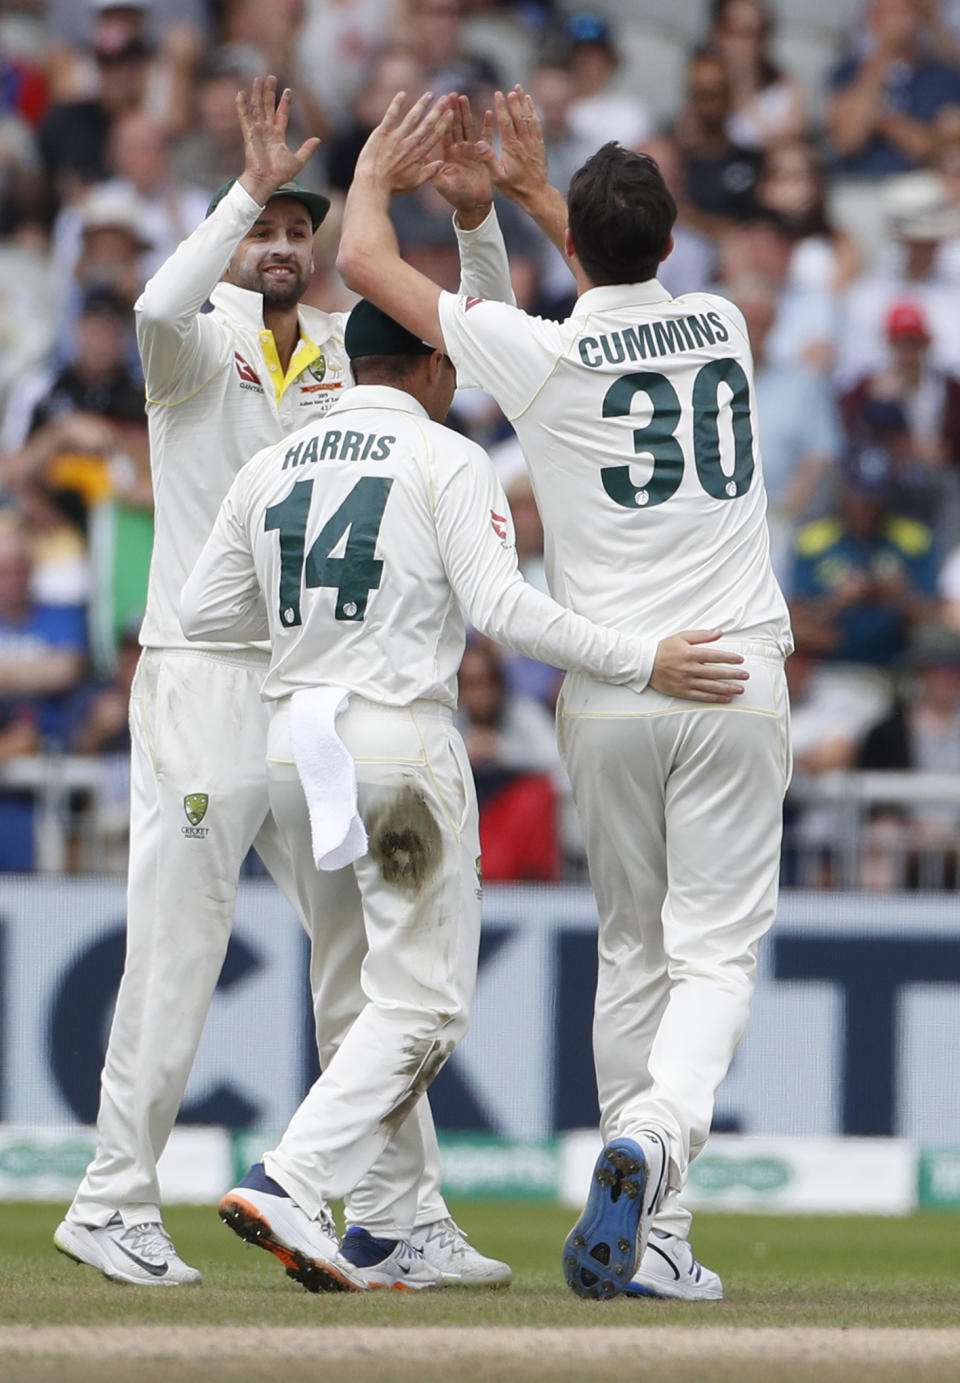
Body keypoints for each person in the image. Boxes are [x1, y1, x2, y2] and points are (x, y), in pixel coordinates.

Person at [179, 297, 749, 1293]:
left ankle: (393, 1227)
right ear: (432, 365)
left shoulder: (269, 467)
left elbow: (202, 611)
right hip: (395, 742)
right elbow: (501, 607)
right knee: (426, 1005)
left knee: (355, 991)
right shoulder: (446, 458)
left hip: (291, 746)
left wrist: (313, 642)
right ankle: (292, 1180)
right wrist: (638, 658)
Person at [53, 75, 520, 1290]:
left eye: (296, 232)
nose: (281, 246)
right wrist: (246, 189)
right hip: (206, 677)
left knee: (363, 953)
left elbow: (473, 340)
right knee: (179, 940)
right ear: (231, 234)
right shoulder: (187, 341)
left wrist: (472, 221)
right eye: (264, 228)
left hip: (312, 692)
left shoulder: (332, 352)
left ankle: (397, 1211)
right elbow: (157, 293)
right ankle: (111, 1201)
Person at [336, 88, 793, 1302]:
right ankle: (655, 1144)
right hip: (734, 674)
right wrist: (535, 202)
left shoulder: (543, 355)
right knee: (717, 960)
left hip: (609, 686)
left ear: (575, 246)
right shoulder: (725, 323)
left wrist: (385, 173)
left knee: (634, 955)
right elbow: (616, 271)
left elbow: (365, 262)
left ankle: (657, 1238)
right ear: (672, 239)